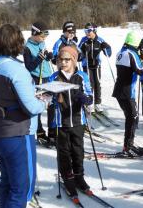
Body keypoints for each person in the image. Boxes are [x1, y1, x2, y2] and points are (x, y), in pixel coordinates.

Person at [0, 24, 48, 208]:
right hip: (17, 134)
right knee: (21, 189)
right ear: (17, 43)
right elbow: (32, 108)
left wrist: (30, 92)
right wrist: (46, 100)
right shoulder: (16, 69)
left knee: (8, 182)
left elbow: (5, 93)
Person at [49, 45, 93, 198]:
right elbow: (47, 98)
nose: (63, 63)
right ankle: (68, 178)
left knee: (78, 151)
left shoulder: (81, 76)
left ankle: (79, 177)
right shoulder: (54, 77)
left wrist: (85, 99)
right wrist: (51, 97)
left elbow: (89, 95)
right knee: (64, 153)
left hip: (78, 121)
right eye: (60, 59)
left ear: (74, 60)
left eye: (67, 59)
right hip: (61, 122)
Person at [113, 31, 143, 156]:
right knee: (133, 117)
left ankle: (128, 144)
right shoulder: (131, 53)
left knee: (131, 117)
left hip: (121, 90)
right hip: (127, 91)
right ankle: (128, 147)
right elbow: (139, 70)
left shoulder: (122, 52)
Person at [23, 21, 55, 144]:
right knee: (39, 106)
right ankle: (40, 132)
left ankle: (53, 132)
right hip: (37, 78)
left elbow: (44, 56)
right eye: (42, 36)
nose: (43, 39)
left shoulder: (41, 43)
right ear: (34, 33)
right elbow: (29, 67)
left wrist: (48, 56)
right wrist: (39, 58)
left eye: (45, 37)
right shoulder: (27, 48)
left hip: (47, 76)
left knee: (51, 104)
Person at [78, 23, 111, 113]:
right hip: (87, 65)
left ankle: (98, 103)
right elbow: (78, 55)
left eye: (89, 31)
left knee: (97, 84)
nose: (87, 33)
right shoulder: (83, 40)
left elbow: (108, 54)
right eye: (85, 31)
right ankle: (90, 103)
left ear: (94, 31)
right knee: (89, 84)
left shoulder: (100, 40)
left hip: (96, 66)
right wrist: (84, 51)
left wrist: (107, 47)